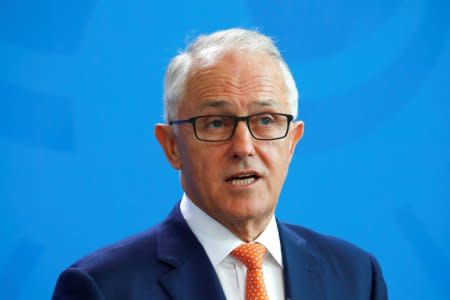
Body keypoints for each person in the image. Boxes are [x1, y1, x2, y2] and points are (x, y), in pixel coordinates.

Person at [52, 28, 388, 300]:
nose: (243, 147)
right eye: (215, 123)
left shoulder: (356, 277)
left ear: (292, 142)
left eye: (266, 120)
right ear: (172, 147)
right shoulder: (100, 288)